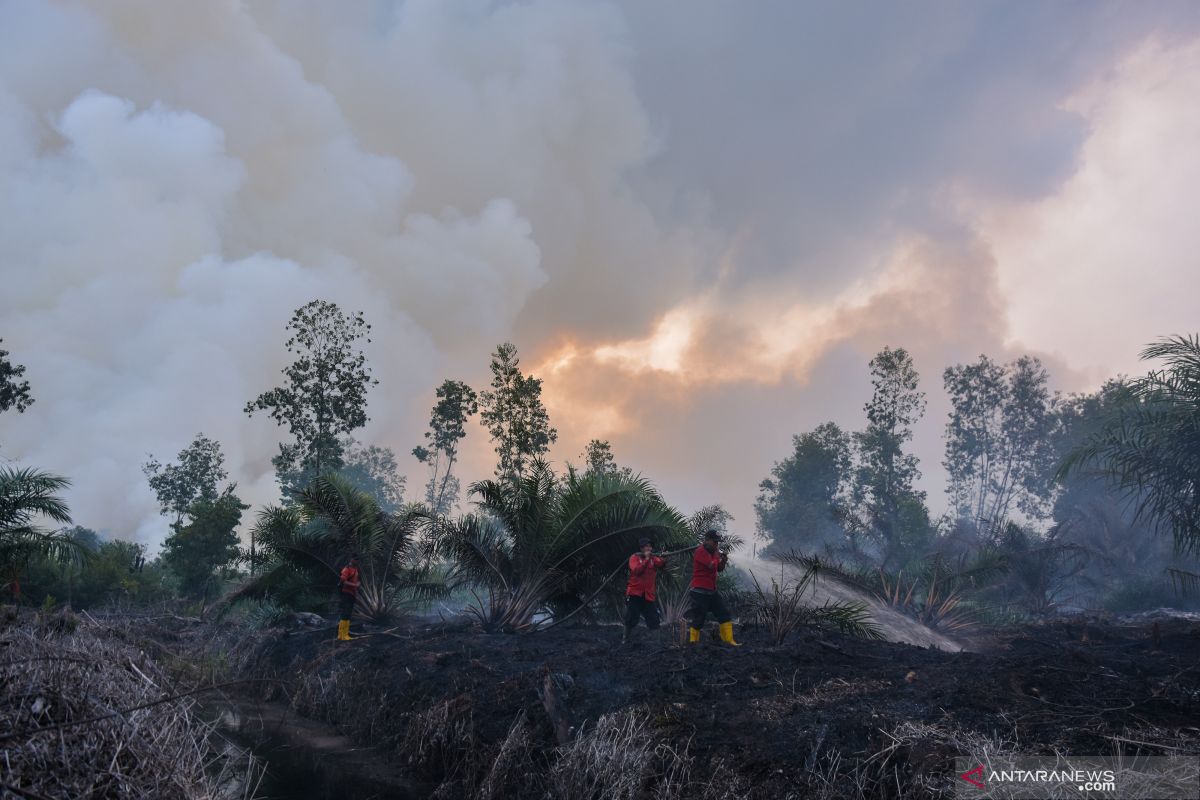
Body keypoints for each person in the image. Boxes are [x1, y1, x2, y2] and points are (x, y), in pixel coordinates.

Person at [687, 530, 740, 646]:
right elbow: (711, 565)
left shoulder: (713, 552)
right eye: (714, 542)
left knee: (724, 614)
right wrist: (717, 556)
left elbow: (718, 568)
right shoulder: (700, 551)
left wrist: (724, 561)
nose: (717, 544)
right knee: (699, 620)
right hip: (699, 592)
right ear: (707, 540)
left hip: (711, 591)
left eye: (717, 542)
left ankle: (729, 641)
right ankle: (693, 644)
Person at [623, 537, 666, 642]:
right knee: (631, 619)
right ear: (641, 548)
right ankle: (625, 639)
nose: (649, 548)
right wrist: (646, 559)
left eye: (650, 546)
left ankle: (657, 642)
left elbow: (660, 563)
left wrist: (664, 557)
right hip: (635, 594)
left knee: (654, 620)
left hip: (648, 595)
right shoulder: (634, 558)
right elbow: (637, 571)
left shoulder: (653, 559)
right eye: (647, 546)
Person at [336, 553, 360, 642]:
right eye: (355, 559)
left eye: (358, 559)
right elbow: (343, 581)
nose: (357, 561)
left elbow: (357, 581)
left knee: (348, 614)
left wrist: (357, 585)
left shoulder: (356, 569)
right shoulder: (347, 569)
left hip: (352, 594)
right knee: (345, 613)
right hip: (346, 593)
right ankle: (342, 635)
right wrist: (355, 585)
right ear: (351, 559)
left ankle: (344, 634)